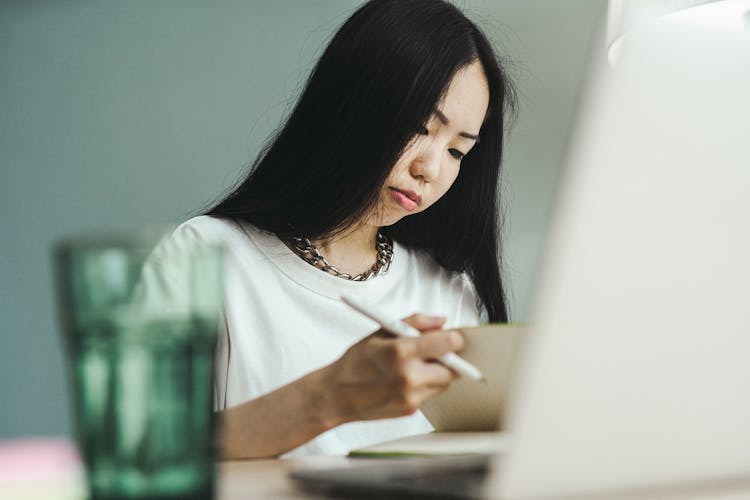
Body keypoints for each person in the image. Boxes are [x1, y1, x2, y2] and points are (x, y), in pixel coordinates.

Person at [150, 0, 515, 458]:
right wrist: (330, 397)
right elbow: (142, 451)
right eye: (420, 127)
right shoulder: (204, 255)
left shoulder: (446, 291)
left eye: (458, 152)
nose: (431, 169)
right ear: (352, 104)